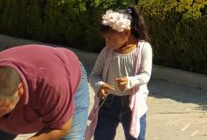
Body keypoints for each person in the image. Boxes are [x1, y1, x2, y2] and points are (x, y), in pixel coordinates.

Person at [84, 9, 152, 140]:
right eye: (106, 39)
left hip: (132, 105)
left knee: (135, 137)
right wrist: (100, 85)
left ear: (126, 33)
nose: (107, 43)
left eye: (111, 38)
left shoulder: (143, 49)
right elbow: (94, 75)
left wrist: (130, 82)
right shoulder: (107, 51)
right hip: (108, 103)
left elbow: (145, 75)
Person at [0, 44, 91, 140]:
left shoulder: (52, 86)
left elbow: (61, 128)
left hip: (68, 74)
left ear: (20, 90)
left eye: (2, 109)